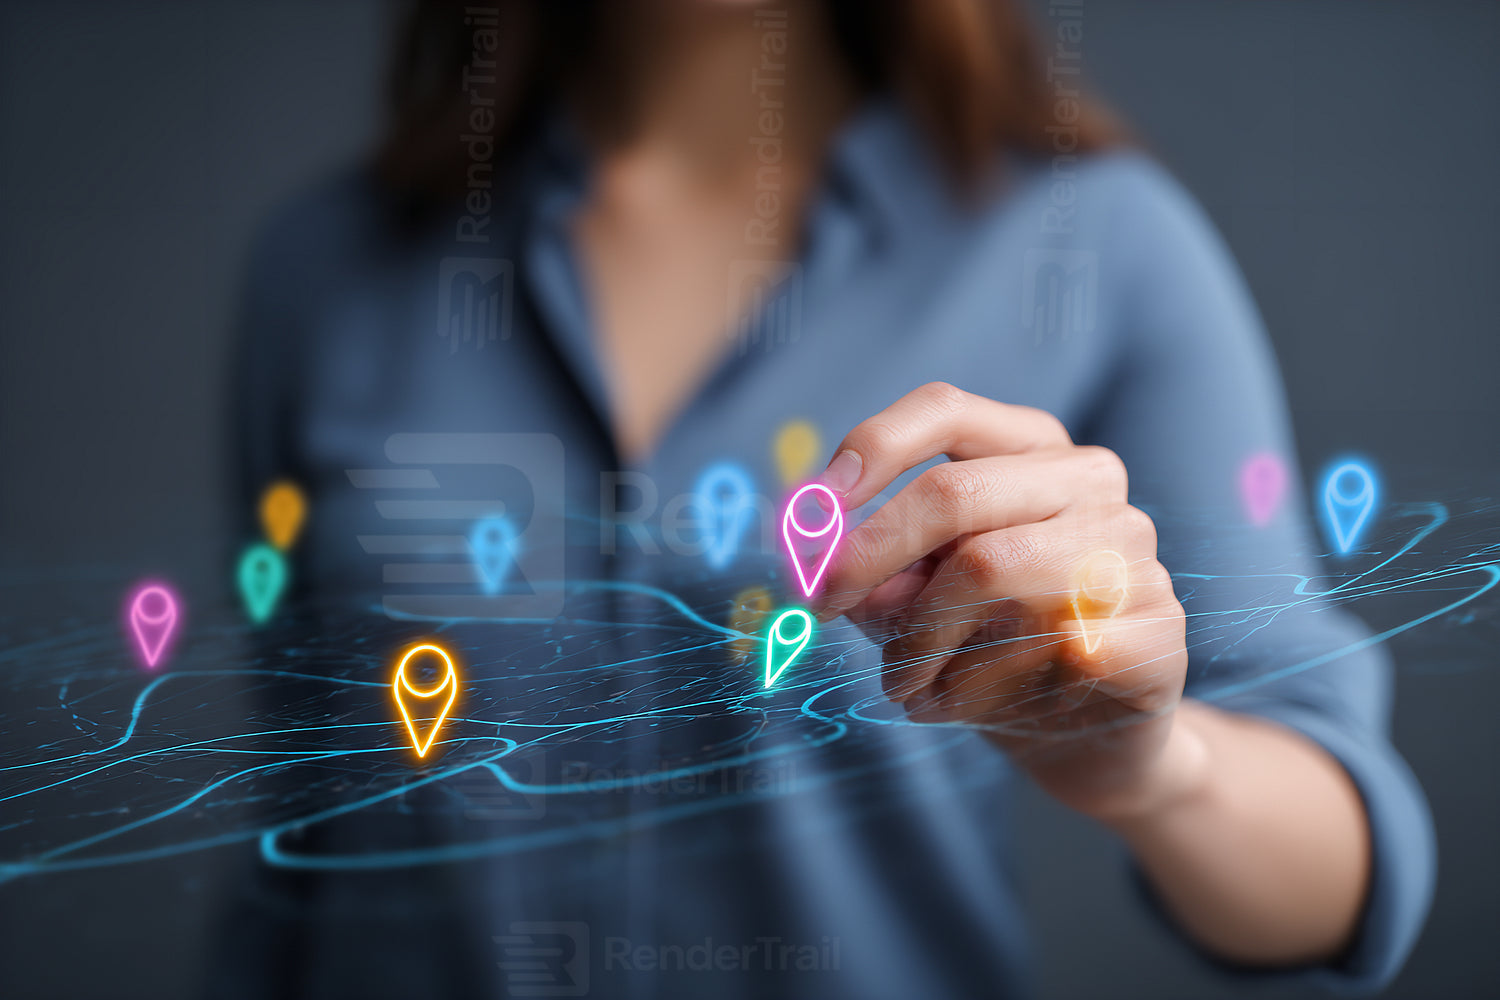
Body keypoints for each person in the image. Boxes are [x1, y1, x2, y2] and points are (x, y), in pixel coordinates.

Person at [231, 1, 1433, 996]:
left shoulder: (1096, 244)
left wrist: (1153, 771)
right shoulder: (326, 272)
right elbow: (293, 827)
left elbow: (1351, 870)